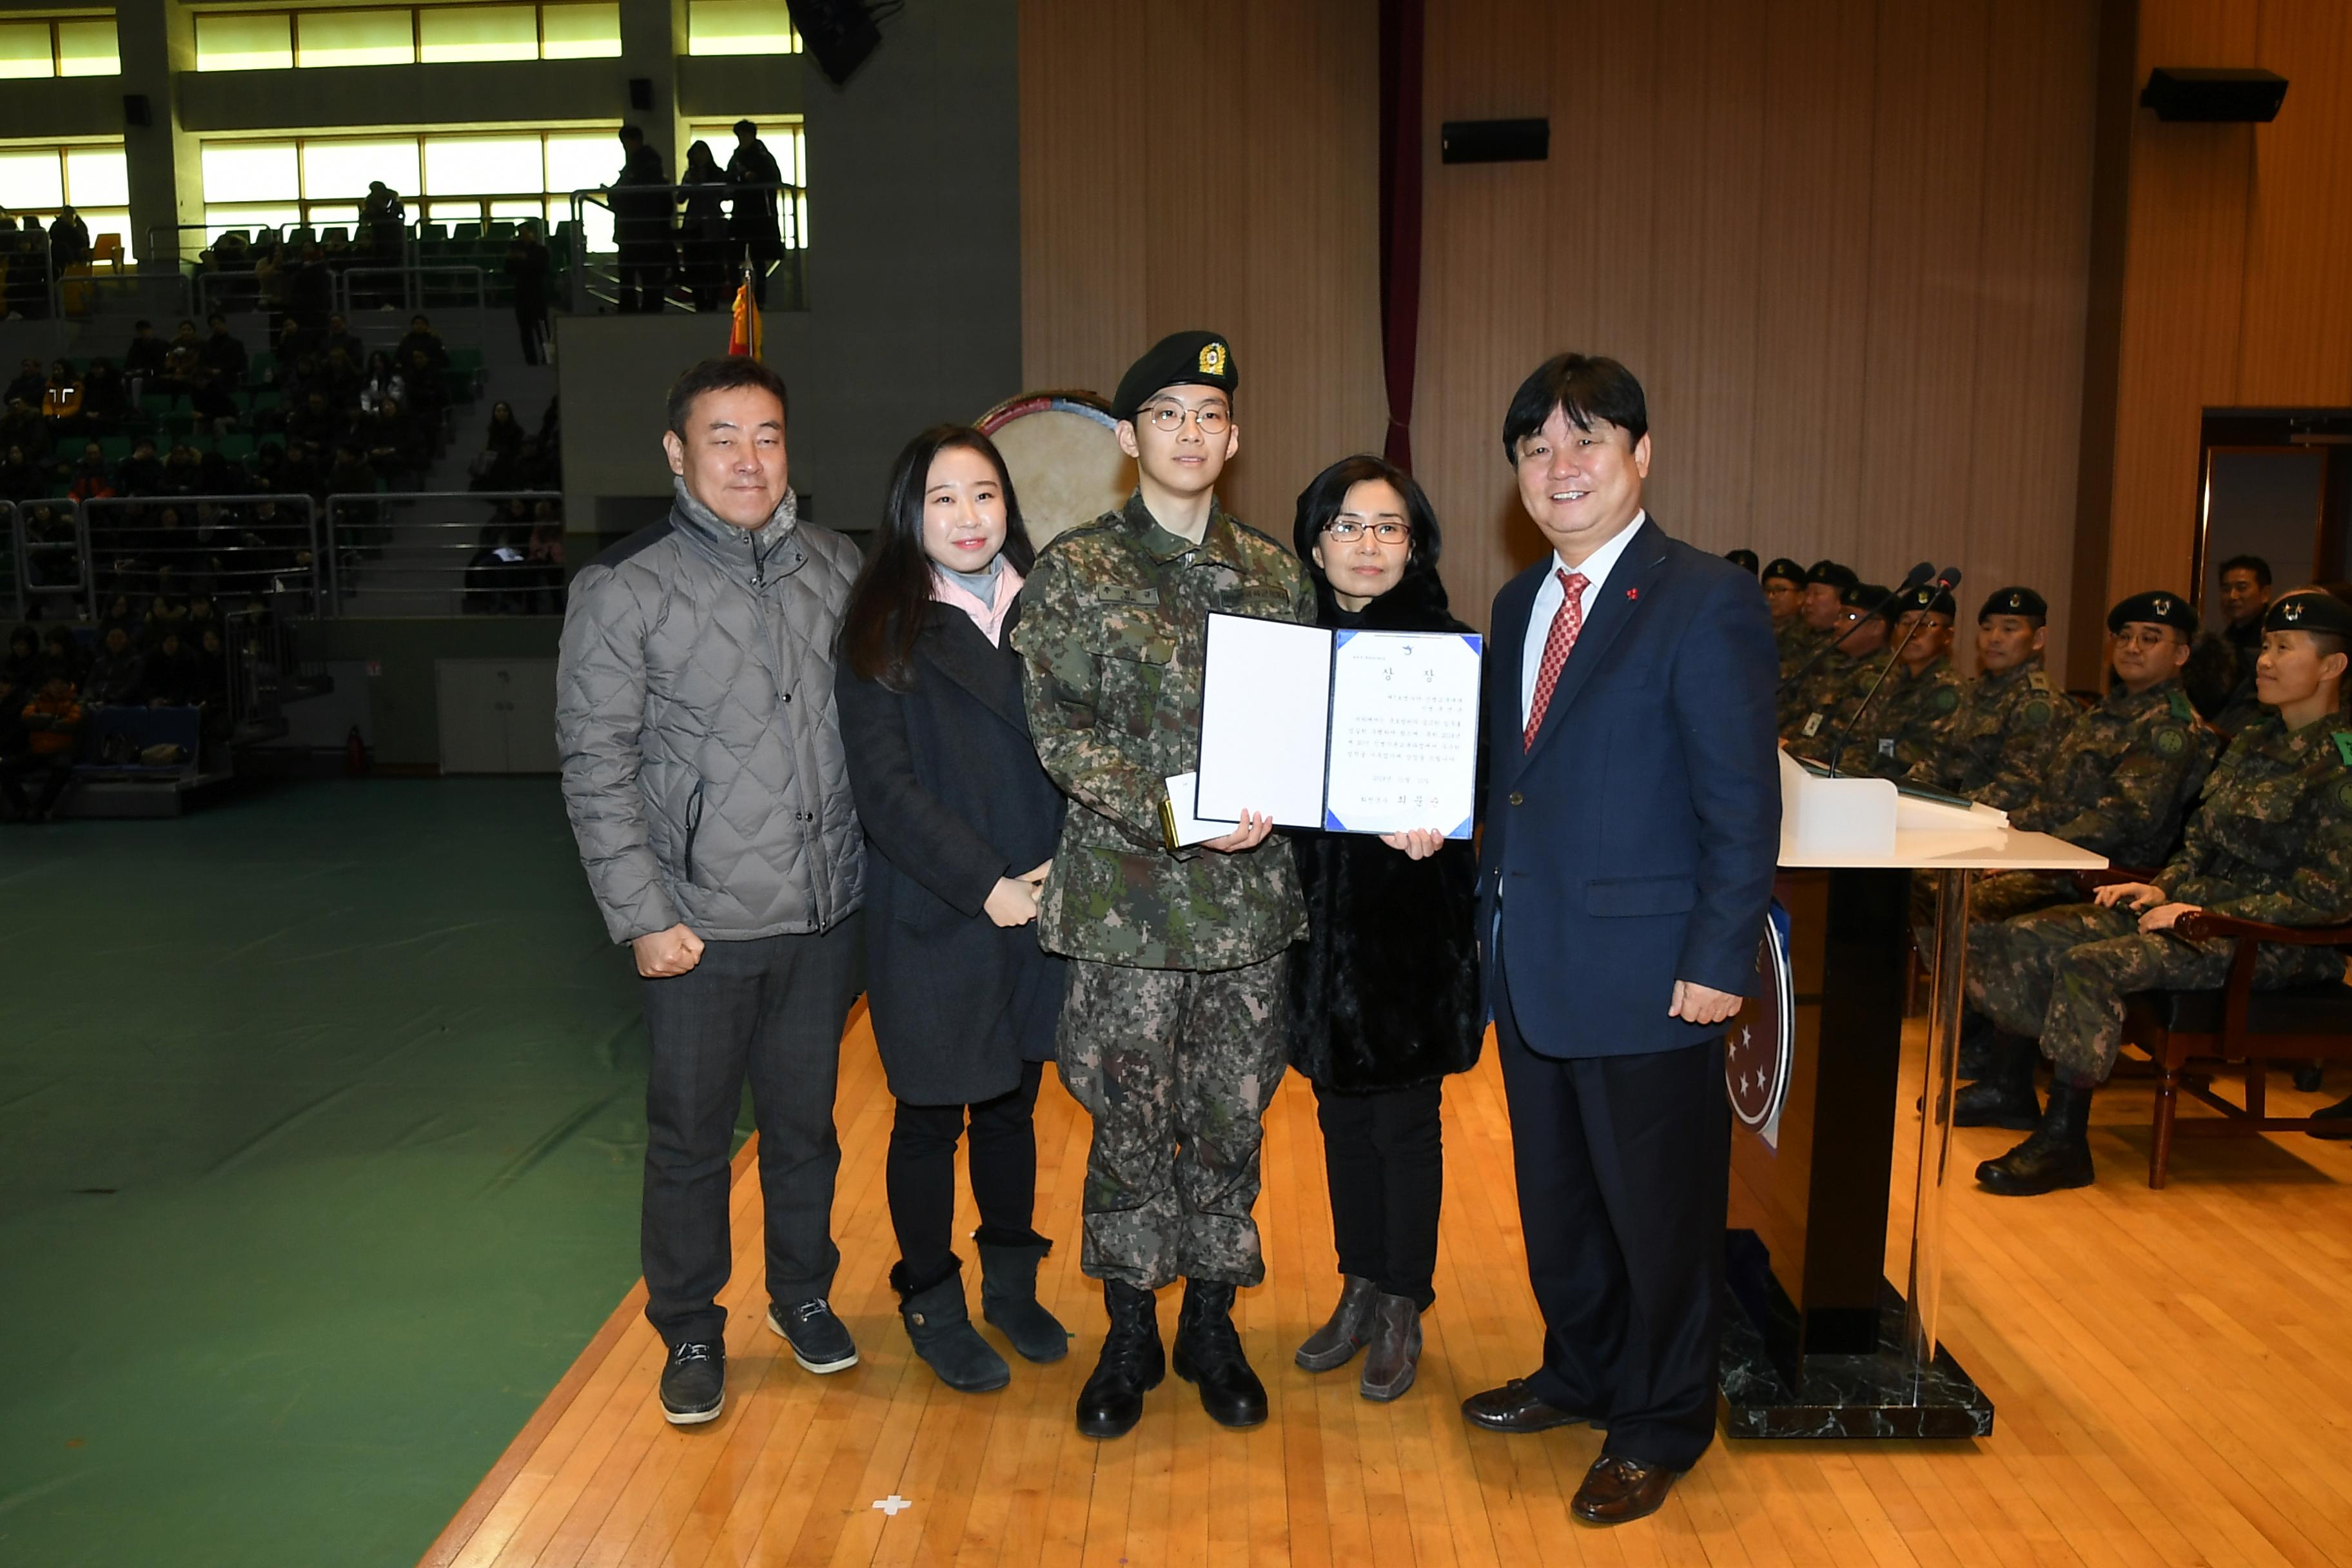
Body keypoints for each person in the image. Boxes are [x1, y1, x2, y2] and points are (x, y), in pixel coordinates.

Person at [1462, 353, 1778, 1527]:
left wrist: (1717, 957)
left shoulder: (1704, 598)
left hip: (1653, 976)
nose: (1560, 466)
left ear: (1639, 456)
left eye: (1585, 441)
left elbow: (1741, 805)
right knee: (1558, 1205)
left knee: (1661, 1216)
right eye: (1535, 447)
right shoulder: (1515, 603)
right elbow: (1518, 784)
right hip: (1532, 961)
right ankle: (1580, 1371)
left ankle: (1656, 1421)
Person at [554, 357, 865, 1427]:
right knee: (690, 1138)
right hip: (697, 925)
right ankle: (689, 1322)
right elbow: (595, 763)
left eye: (768, 435)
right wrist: (643, 914)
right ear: (677, 454)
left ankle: (803, 1293)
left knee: (806, 1129)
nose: (748, 457)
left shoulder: (838, 567)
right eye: (723, 436)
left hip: (824, 914)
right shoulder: (623, 588)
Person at [1011, 330, 1309, 1440]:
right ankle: (1129, 1326)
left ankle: (1214, 1323)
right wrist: (1176, 809)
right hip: (1126, 908)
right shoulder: (1076, 571)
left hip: (1244, 915)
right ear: (1128, 439)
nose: (1190, 433)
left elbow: (1300, 731)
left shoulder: (1277, 575)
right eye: (1167, 414)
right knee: (1128, 1118)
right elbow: (1061, 734)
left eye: (1210, 414)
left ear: (1234, 439)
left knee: (1231, 1117)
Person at [1968, 587, 2352, 1193]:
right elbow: (2198, 842)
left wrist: (2205, 909)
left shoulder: (2340, 764)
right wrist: (2160, 889)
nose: (2266, 661)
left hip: (2271, 941)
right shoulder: (2255, 740)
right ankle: (2012, 1087)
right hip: (2194, 916)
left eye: (2285, 648)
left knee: (2087, 965)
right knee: (2024, 934)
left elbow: (2329, 897)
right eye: (2267, 646)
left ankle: (2065, 1142)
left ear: (2332, 666)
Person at [834, 424, 1072, 1395]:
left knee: (1014, 1109)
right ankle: (932, 1299)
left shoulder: (1051, 610)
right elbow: (886, 793)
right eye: (943, 498)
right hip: (938, 911)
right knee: (931, 1118)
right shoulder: (880, 626)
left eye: (984, 495)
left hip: (1043, 902)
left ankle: (1012, 1285)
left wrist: (1063, 869)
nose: (968, 517)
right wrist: (987, 883)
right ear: (909, 512)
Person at [1284, 454, 1482, 1404]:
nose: (1368, 545)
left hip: (1409, 927)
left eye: (1388, 527)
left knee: (1405, 1123)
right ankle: (1358, 1284)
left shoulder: (1447, 654)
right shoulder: (1282, 652)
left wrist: (1442, 822)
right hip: (1313, 932)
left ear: (1416, 544)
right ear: (1315, 541)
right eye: (1348, 526)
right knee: (1335, 1116)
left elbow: (1486, 794)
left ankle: (1404, 1298)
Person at [1954, 589, 2222, 1126]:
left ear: (2181, 655)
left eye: (2151, 639)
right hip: (2067, 860)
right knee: (1952, 888)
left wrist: (2031, 853)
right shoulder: (2108, 709)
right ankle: (2000, 1050)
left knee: (1983, 906)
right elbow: (2056, 795)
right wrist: (2008, 833)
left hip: (2109, 873)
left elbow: (2127, 817)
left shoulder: (2169, 726)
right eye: (2124, 637)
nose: (2132, 648)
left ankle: (2006, 1062)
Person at [1910, 586, 2065, 810]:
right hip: (1954, 814)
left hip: (1997, 827)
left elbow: (2017, 786)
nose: (1994, 639)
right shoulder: (1975, 690)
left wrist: (1949, 808)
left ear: (2038, 638)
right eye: (1987, 628)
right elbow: (1939, 758)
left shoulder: (2038, 704)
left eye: (2009, 629)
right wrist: (1905, 792)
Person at [1826, 582, 1963, 778]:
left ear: (1947, 636)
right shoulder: (1889, 680)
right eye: (1906, 623)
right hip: (1872, 788)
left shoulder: (1948, 690)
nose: (1913, 632)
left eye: (1926, 624)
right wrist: (1848, 778)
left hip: (1908, 797)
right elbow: (1861, 742)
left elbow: (1933, 767)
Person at [1783, 579, 1892, 756]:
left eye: (1849, 617)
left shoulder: (1881, 675)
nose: (1837, 624)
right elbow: (1805, 717)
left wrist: (1787, 748)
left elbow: (1842, 743)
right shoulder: (1836, 664)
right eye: (1839, 616)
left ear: (1877, 627)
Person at [2188, 553, 2274, 735]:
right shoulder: (2214, 645)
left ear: (2265, 594)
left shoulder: (2274, 647)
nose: (2233, 596)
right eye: (2226, 589)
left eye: (2242, 588)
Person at [3, 672, 82, 823]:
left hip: (61, 750)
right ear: (46, 685)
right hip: (37, 750)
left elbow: (72, 724)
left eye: (61, 683)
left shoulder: (76, 702)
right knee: (4, 767)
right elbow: (27, 718)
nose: (57, 686)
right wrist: (55, 720)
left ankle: (41, 807)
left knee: (63, 768)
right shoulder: (36, 700)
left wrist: (42, 721)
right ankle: (23, 807)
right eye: (53, 683)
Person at [725, 120, 785, 306]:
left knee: (758, 260)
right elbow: (728, 177)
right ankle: (741, 298)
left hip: (758, 215)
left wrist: (751, 178)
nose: (742, 139)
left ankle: (758, 301)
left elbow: (772, 179)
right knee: (735, 258)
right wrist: (742, 178)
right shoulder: (737, 158)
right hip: (742, 213)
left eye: (744, 135)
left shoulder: (763, 158)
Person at [612, 138, 673, 315]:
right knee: (651, 281)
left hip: (633, 234)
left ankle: (629, 309)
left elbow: (618, 198)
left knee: (629, 279)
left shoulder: (632, 174)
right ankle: (650, 310)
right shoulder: (657, 177)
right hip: (650, 235)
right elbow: (667, 207)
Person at [678, 141, 732, 312]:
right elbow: (680, 198)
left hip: (712, 223)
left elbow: (726, 194)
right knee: (695, 264)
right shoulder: (690, 174)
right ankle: (700, 302)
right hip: (694, 224)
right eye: (696, 154)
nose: (699, 157)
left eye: (702, 153)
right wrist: (688, 183)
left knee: (715, 264)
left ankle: (713, 301)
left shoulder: (717, 173)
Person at [505, 223, 551, 366]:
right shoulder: (515, 251)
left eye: (525, 234)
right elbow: (507, 270)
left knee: (542, 330)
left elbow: (542, 268)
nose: (522, 238)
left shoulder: (541, 251)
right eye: (521, 234)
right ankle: (530, 360)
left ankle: (548, 357)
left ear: (532, 234)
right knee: (525, 331)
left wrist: (523, 260)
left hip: (537, 295)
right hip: (522, 295)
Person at [1761, 556, 1807, 672]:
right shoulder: (1755, 631)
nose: (1771, 597)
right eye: (1767, 590)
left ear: (1800, 597)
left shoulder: (1808, 637)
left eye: (1781, 590)